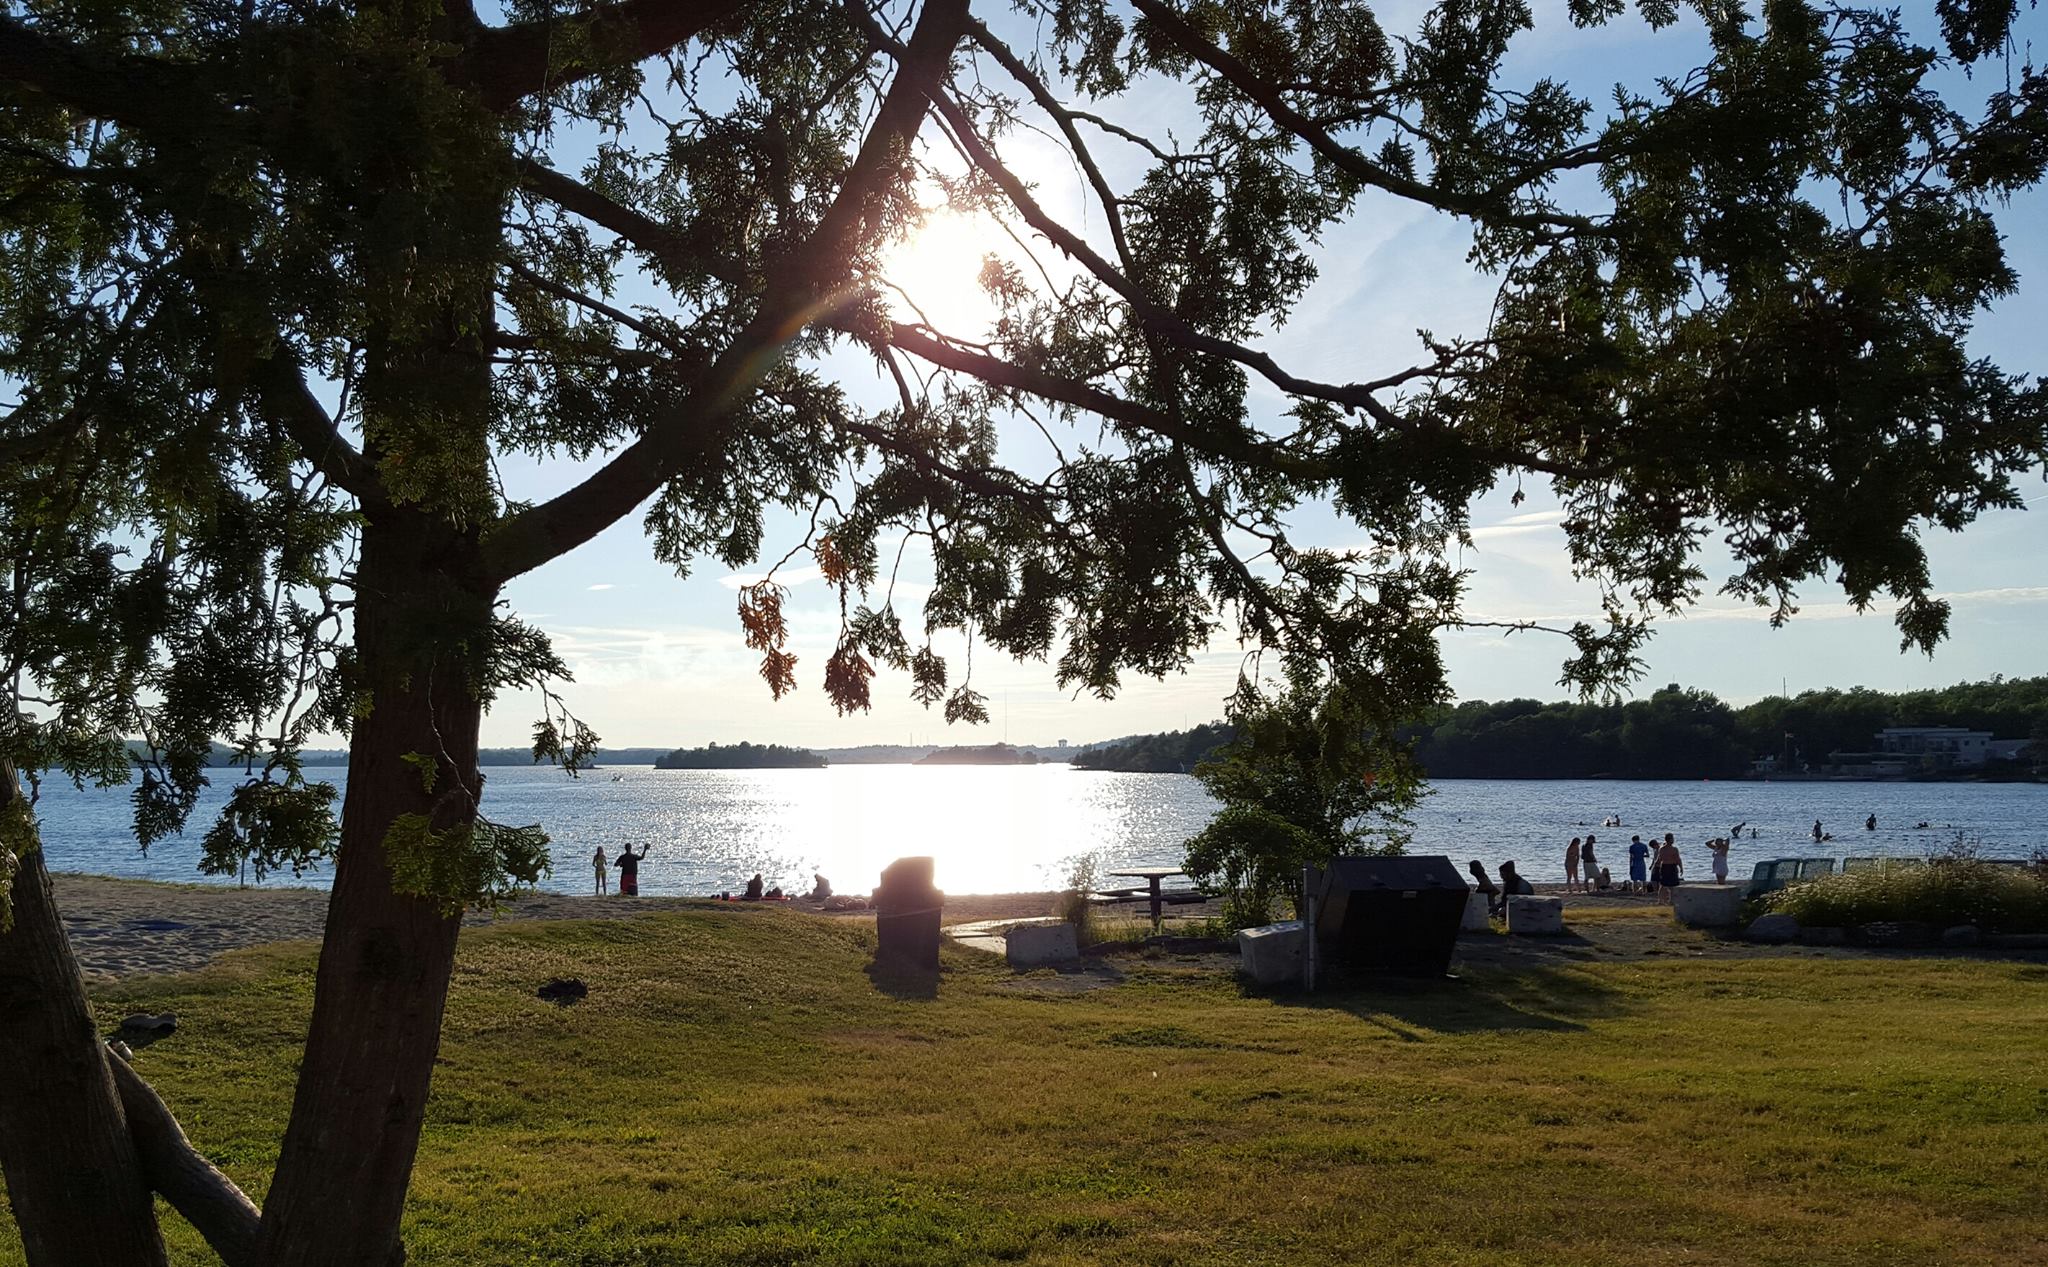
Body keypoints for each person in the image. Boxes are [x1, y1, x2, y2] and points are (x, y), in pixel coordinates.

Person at [1653, 834, 1683, 904]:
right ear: (1670, 840)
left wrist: (1654, 866)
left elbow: (1658, 859)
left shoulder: (1662, 849)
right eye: (1672, 839)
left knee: (1665, 885)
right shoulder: (1673, 849)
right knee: (1667, 885)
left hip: (1666, 867)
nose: (1673, 840)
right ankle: (1664, 900)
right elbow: (1678, 859)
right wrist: (1681, 867)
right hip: (1669, 867)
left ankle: (1664, 900)